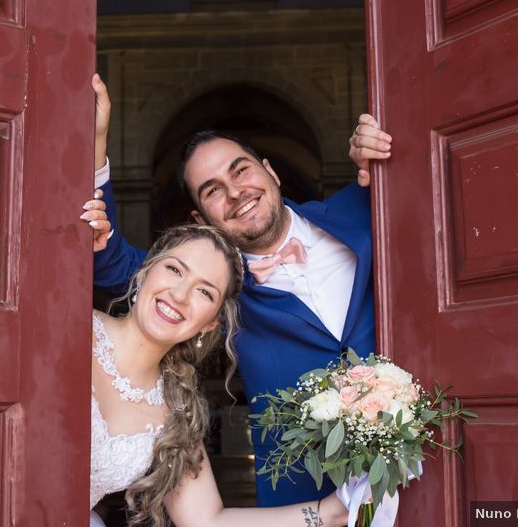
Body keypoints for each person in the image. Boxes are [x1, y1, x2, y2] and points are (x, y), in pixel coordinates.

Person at [81, 74, 394, 507]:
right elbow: (109, 261)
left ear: (270, 171)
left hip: (417, 471)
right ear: (202, 218)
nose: (235, 193)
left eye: (241, 170)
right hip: (301, 498)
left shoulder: (366, 206)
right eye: (213, 191)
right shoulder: (212, 291)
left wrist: (378, 143)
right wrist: (96, 140)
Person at [85, 222, 350, 526]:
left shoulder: (175, 413)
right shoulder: (72, 327)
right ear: (145, 271)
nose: (180, 294)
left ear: (210, 324)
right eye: (174, 270)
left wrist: (331, 512)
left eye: (204, 292)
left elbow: (207, 521)